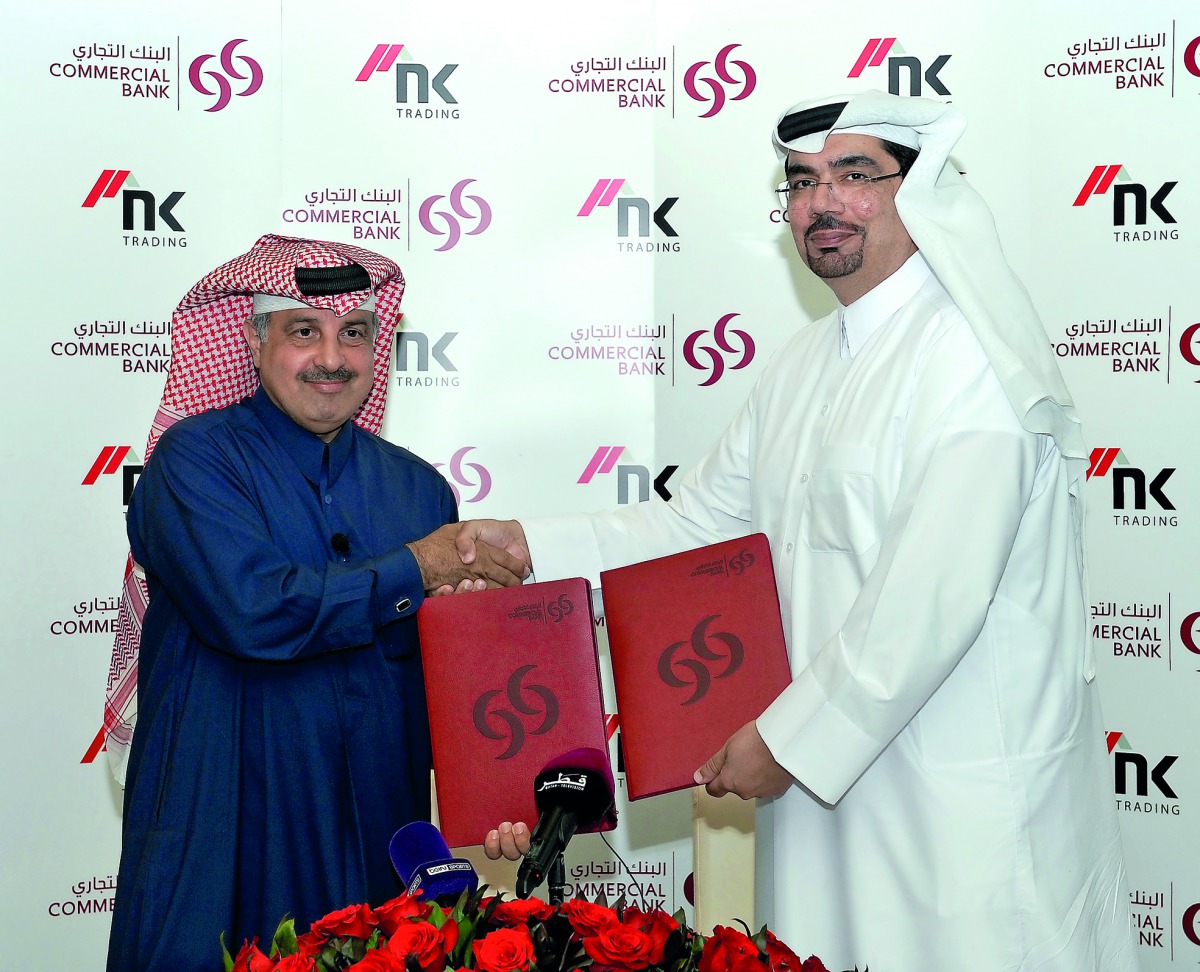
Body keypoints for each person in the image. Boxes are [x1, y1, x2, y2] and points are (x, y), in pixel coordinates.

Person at [465, 93, 1137, 970]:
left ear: (921, 191)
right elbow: (698, 528)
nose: (823, 202)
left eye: (857, 176)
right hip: (834, 793)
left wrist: (788, 741)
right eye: (803, 181)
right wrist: (528, 550)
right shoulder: (805, 363)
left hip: (961, 794)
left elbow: (931, 598)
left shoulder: (972, 358)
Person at [105, 235, 527, 972]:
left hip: (374, 841)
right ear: (254, 340)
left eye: (354, 333)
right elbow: (253, 609)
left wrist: (495, 789)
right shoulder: (194, 462)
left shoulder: (419, 491)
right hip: (226, 828)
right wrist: (415, 565)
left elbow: (445, 679)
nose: (331, 357)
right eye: (304, 331)